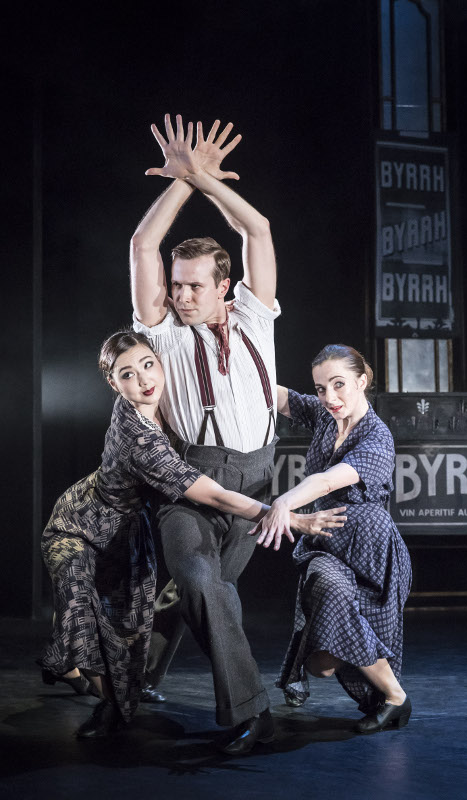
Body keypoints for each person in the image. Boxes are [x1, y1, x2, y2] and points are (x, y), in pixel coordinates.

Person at [39, 331, 343, 739]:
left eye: (149, 364)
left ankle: (88, 671)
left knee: (136, 620)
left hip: (128, 532)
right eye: (127, 375)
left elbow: (245, 387)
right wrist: (291, 518)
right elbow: (215, 494)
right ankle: (108, 702)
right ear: (114, 384)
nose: (145, 380)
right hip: (79, 524)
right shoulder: (140, 438)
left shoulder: (164, 395)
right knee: (80, 607)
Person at [129, 113, 299, 755]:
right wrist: (179, 184)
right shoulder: (163, 333)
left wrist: (207, 179)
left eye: (194, 285)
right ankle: (252, 712)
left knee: (197, 595)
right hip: (189, 483)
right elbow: (145, 245)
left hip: (255, 475)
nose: (181, 294)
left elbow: (256, 228)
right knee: (203, 583)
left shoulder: (256, 319)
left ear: (225, 287)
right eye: (176, 285)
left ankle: (132, 682)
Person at [250, 344, 412, 735]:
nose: (330, 397)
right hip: (327, 543)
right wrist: (232, 372)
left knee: (333, 653)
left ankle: (394, 698)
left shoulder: (377, 438)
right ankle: (394, 696)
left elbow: (326, 480)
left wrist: (284, 503)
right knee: (319, 664)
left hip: (372, 552)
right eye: (322, 388)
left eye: (339, 385)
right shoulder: (325, 416)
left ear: (362, 381)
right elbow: (282, 397)